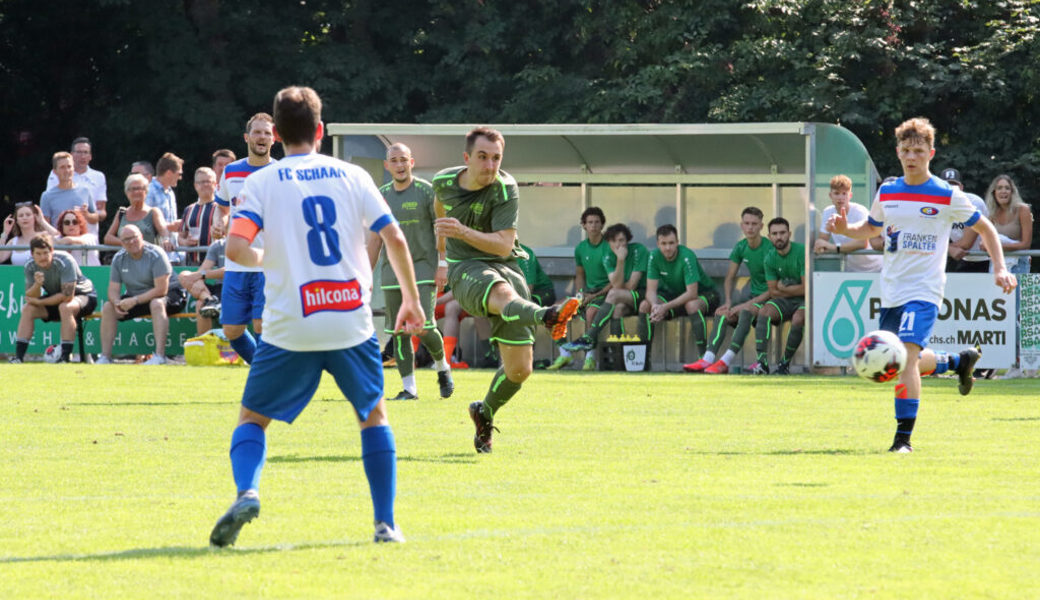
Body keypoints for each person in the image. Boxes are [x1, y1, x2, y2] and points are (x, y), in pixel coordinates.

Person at [208, 85, 424, 547]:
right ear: (321, 130)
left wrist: (276, 259)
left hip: (290, 324)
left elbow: (236, 248)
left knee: (252, 418)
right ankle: (385, 524)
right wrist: (411, 299)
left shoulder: (261, 182)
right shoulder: (353, 175)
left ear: (279, 135)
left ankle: (247, 491)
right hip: (349, 318)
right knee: (373, 415)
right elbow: (396, 239)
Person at [828, 116, 1016, 453]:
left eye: (918, 150)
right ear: (898, 152)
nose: (911, 156)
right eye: (905, 150)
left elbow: (987, 230)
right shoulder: (887, 191)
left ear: (930, 153)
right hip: (891, 292)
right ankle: (958, 361)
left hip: (924, 290)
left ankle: (903, 439)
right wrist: (845, 230)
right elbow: (870, 229)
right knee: (901, 360)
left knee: (906, 358)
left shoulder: (945, 195)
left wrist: (1000, 268)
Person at [433, 126, 579, 453]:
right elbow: (439, 207)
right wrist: (443, 256)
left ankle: (484, 413)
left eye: (496, 158)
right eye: (482, 157)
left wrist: (461, 230)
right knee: (500, 293)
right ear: (466, 158)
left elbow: (503, 246)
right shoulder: (443, 181)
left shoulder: (505, 187)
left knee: (519, 370)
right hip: (465, 270)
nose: (490, 165)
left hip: (505, 264)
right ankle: (548, 316)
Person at [367, 143, 453, 401]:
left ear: (412, 162)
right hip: (392, 274)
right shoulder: (380, 196)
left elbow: (442, 230)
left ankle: (443, 367)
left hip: (424, 268)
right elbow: (375, 240)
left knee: (425, 327)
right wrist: (365, 276)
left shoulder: (428, 192)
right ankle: (409, 389)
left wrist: (442, 264)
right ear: (387, 165)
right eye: (394, 160)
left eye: (404, 160)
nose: (400, 165)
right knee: (399, 331)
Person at [215, 113, 277, 365]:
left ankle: (268, 380)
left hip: (268, 263)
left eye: (267, 133)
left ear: (274, 139)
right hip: (236, 264)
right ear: (247, 137)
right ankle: (265, 370)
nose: (262, 137)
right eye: (257, 132)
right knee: (232, 330)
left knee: (263, 325)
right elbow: (222, 207)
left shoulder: (280, 172)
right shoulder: (231, 172)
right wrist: (220, 221)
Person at [686, 207, 772, 374]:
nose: (750, 228)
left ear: (761, 226)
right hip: (753, 296)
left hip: (770, 298)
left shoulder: (769, 249)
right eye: (747, 223)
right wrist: (728, 302)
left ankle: (725, 361)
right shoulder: (740, 247)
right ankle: (707, 359)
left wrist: (742, 305)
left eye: (754, 224)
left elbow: (772, 289)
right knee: (722, 312)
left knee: (745, 311)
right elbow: (729, 277)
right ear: (741, 225)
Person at [97, 224, 187, 365]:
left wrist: (135, 300)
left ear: (142, 237)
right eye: (126, 240)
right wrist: (116, 302)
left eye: (134, 237)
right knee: (108, 307)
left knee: (156, 303)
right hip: (138, 297)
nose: (131, 242)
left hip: (171, 293)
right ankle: (105, 357)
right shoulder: (118, 259)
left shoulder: (156, 253)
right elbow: (113, 290)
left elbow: (161, 290)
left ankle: (159, 356)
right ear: (121, 243)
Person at [561, 223, 648, 364]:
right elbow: (618, 284)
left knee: (613, 294)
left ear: (628, 241)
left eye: (622, 240)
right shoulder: (607, 255)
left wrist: (621, 260)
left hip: (644, 294)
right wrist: (620, 261)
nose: (618, 245)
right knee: (617, 310)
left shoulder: (639, 250)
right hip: (624, 298)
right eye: (614, 241)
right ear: (608, 242)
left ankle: (589, 337)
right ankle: (617, 358)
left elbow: (631, 286)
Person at [637, 224, 719, 368]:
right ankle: (643, 360)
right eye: (663, 243)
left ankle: (704, 359)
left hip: (705, 294)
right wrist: (656, 306)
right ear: (658, 244)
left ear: (677, 242)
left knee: (691, 305)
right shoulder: (654, 256)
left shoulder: (687, 256)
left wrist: (665, 307)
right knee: (645, 305)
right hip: (675, 297)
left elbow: (692, 293)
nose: (667, 248)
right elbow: (651, 291)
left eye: (671, 243)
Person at [9, 234, 98, 363]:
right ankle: (18, 358)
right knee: (28, 308)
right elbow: (30, 296)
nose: (42, 257)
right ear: (32, 254)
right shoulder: (30, 265)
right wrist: (37, 285)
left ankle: (64, 358)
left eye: (45, 253)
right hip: (57, 297)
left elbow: (67, 296)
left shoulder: (65, 260)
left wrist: (40, 301)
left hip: (84, 296)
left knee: (65, 307)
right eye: (38, 254)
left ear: (52, 251)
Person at [549, 207, 610, 370]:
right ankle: (565, 355)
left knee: (591, 312)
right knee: (554, 309)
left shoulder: (610, 247)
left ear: (602, 224)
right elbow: (580, 275)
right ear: (584, 225)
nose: (594, 226)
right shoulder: (581, 248)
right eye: (590, 222)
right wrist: (579, 295)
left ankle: (590, 359)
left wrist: (593, 296)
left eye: (597, 222)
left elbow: (615, 281)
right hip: (587, 294)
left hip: (605, 294)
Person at [748, 217, 805, 375]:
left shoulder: (801, 252)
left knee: (799, 318)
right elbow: (773, 292)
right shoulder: (770, 258)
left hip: (805, 301)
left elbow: (806, 289)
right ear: (769, 236)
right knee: (764, 312)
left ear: (789, 234)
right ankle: (762, 363)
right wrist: (787, 289)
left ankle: (784, 364)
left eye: (782, 233)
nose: (779, 237)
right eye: (775, 233)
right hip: (783, 301)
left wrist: (783, 288)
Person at [813, 175, 882, 272]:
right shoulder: (827, 212)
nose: (840, 198)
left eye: (844, 193)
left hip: (876, 268)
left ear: (850, 195)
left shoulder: (860, 211)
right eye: (836, 193)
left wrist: (834, 248)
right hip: (850, 270)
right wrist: (820, 246)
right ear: (830, 195)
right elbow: (822, 240)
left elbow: (862, 243)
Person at [45, 137, 107, 235]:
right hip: (60, 235)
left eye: (86, 152)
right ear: (72, 155)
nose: (82, 156)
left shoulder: (99, 177)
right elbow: (51, 203)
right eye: (79, 152)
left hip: (88, 236)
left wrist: (87, 214)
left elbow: (101, 212)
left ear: (90, 156)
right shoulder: (55, 175)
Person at [941, 168, 990, 273]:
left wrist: (945, 248)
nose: (951, 189)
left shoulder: (973, 202)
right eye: (947, 185)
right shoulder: (938, 206)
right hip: (966, 258)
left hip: (988, 259)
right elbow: (931, 238)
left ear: (961, 188)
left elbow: (966, 243)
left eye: (954, 185)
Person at [983, 174, 1033, 275]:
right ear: (994, 192)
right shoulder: (992, 214)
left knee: (1016, 291)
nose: (1003, 191)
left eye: (1007, 188)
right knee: (995, 291)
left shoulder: (1023, 210)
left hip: (1019, 264)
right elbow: (984, 244)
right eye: (999, 188)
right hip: (997, 263)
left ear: (1012, 192)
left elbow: (1026, 244)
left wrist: (997, 246)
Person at [178, 235, 226, 335]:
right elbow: (202, 270)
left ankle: (210, 302)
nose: (218, 224)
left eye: (222, 219)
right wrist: (198, 281)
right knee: (184, 275)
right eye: (217, 220)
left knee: (201, 305)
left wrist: (200, 275)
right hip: (218, 289)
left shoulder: (243, 243)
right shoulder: (218, 245)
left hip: (236, 288)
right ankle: (210, 301)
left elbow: (230, 271)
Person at [104, 174, 169, 246]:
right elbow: (108, 238)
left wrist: (166, 240)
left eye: (139, 188)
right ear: (127, 192)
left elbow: (164, 232)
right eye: (132, 189)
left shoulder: (154, 212)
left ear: (146, 191)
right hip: (125, 256)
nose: (136, 192)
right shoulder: (122, 212)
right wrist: (128, 243)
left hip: (148, 256)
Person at [40, 151, 97, 228]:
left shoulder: (84, 191)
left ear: (73, 168)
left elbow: (95, 219)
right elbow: (44, 226)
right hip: (59, 239)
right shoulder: (47, 196)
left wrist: (87, 214)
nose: (67, 170)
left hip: (81, 238)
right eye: (62, 167)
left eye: (69, 166)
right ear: (55, 172)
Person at [178, 167, 222, 266]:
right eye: (201, 182)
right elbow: (180, 237)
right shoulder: (189, 209)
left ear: (215, 184)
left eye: (208, 181)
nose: (205, 185)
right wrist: (186, 242)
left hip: (217, 264)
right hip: (193, 264)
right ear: (195, 185)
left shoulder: (222, 209)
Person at [146, 152, 184, 262]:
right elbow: (143, 221)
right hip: (155, 255)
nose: (180, 177)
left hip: (172, 254)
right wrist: (169, 227)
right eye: (179, 174)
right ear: (168, 173)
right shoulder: (149, 191)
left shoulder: (170, 192)